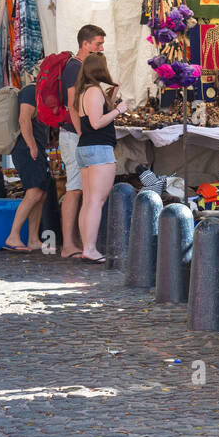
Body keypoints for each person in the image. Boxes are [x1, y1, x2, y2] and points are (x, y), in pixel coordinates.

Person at [73, 53, 127, 264]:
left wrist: (111, 100)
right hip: (99, 150)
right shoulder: (94, 91)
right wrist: (119, 110)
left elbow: (91, 118)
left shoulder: (83, 91)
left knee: (88, 201)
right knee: (96, 201)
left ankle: (87, 245)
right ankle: (90, 248)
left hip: (86, 148)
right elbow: (97, 122)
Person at [59, 25, 106, 260]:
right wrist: (81, 134)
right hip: (72, 135)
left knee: (83, 191)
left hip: (76, 135)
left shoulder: (81, 68)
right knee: (74, 189)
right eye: (98, 43)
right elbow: (71, 104)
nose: (101, 48)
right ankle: (68, 244)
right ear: (85, 44)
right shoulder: (74, 67)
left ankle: (79, 242)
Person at [4, 65, 50, 252]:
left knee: (41, 193)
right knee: (34, 193)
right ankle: (13, 236)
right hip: (27, 149)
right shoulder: (31, 91)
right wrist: (32, 146)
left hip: (34, 148)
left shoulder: (38, 92)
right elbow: (24, 120)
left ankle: (33, 238)